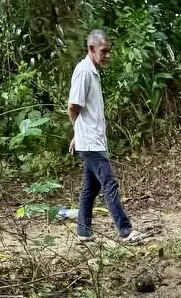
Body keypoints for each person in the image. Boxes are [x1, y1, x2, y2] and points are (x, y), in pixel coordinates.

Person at [68, 29, 144, 243]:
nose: (107, 55)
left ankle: (83, 232)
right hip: (90, 142)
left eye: (109, 51)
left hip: (92, 139)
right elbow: (73, 106)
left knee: (90, 189)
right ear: (91, 49)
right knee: (109, 184)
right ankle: (126, 230)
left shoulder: (93, 70)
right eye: (104, 51)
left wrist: (78, 134)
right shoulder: (83, 71)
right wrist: (78, 132)